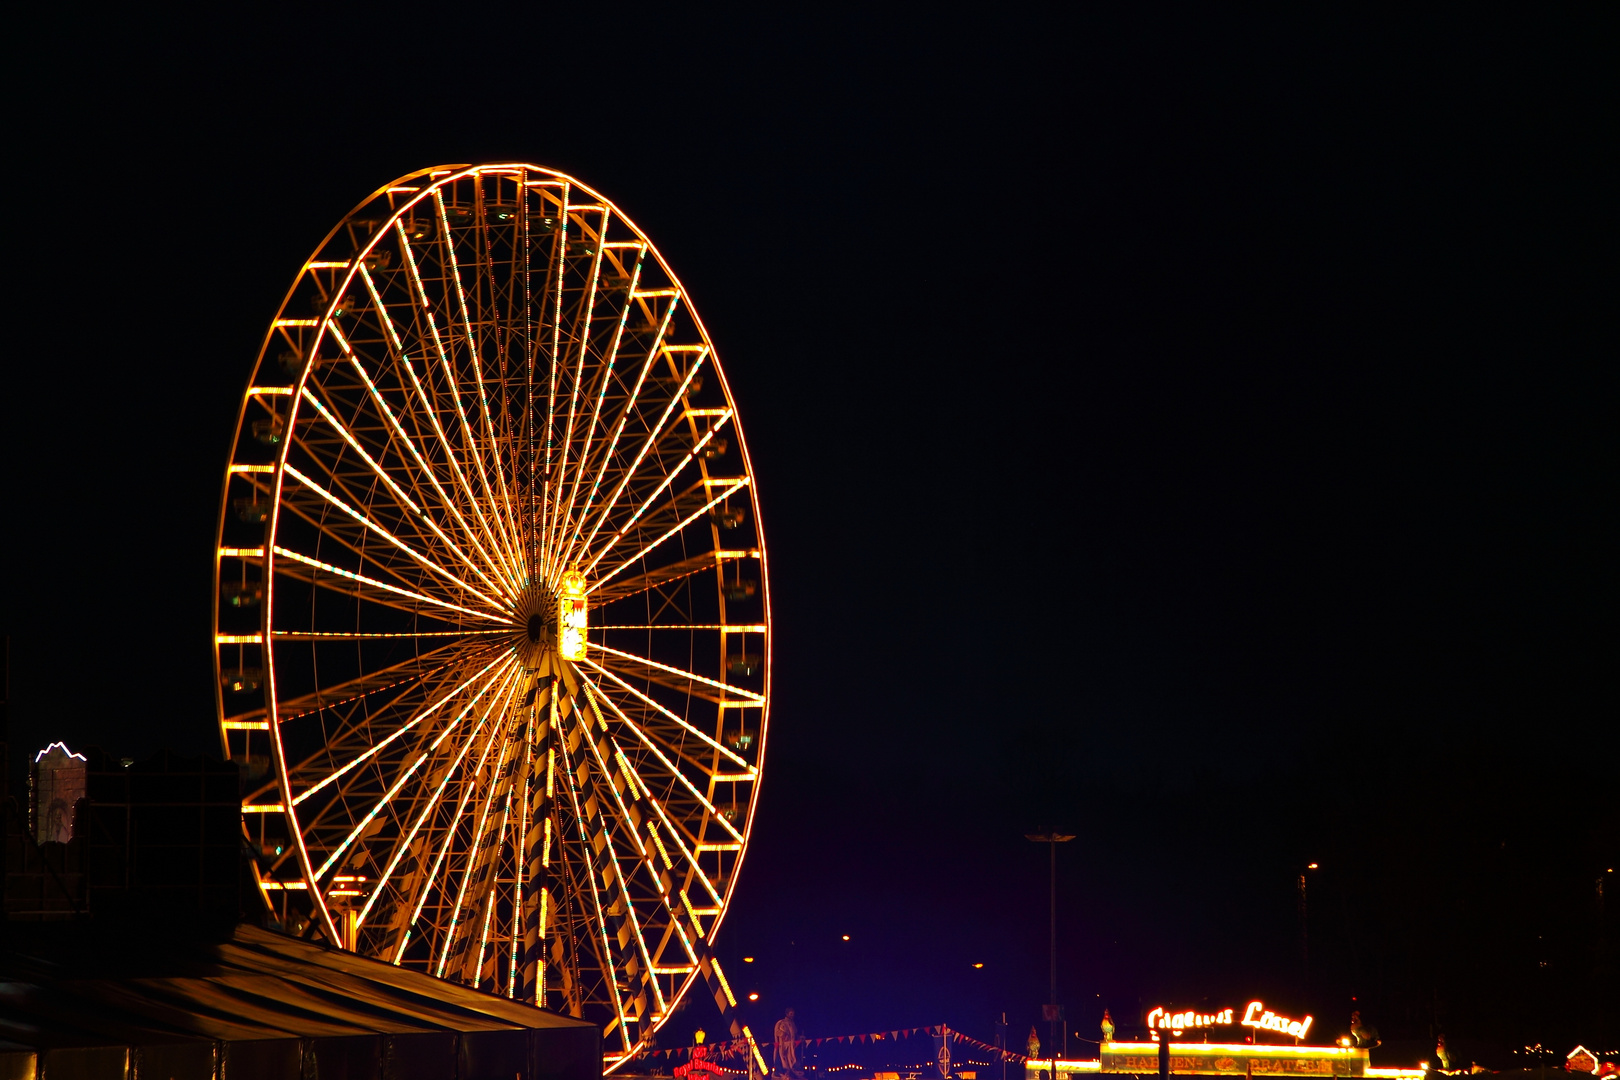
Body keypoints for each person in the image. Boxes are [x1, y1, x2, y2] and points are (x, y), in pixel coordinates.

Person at [774, 1008, 801, 1079]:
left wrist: (800, 1038)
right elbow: (778, 1031)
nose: (792, 1015)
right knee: (783, 1058)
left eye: (793, 1014)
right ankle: (782, 1072)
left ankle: (790, 1072)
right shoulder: (781, 1022)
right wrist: (784, 1035)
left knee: (792, 1059)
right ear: (787, 1014)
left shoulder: (793, 1024)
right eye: (791, 1014)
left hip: (792, 1045)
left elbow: (795, 1034)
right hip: (784, 1045)